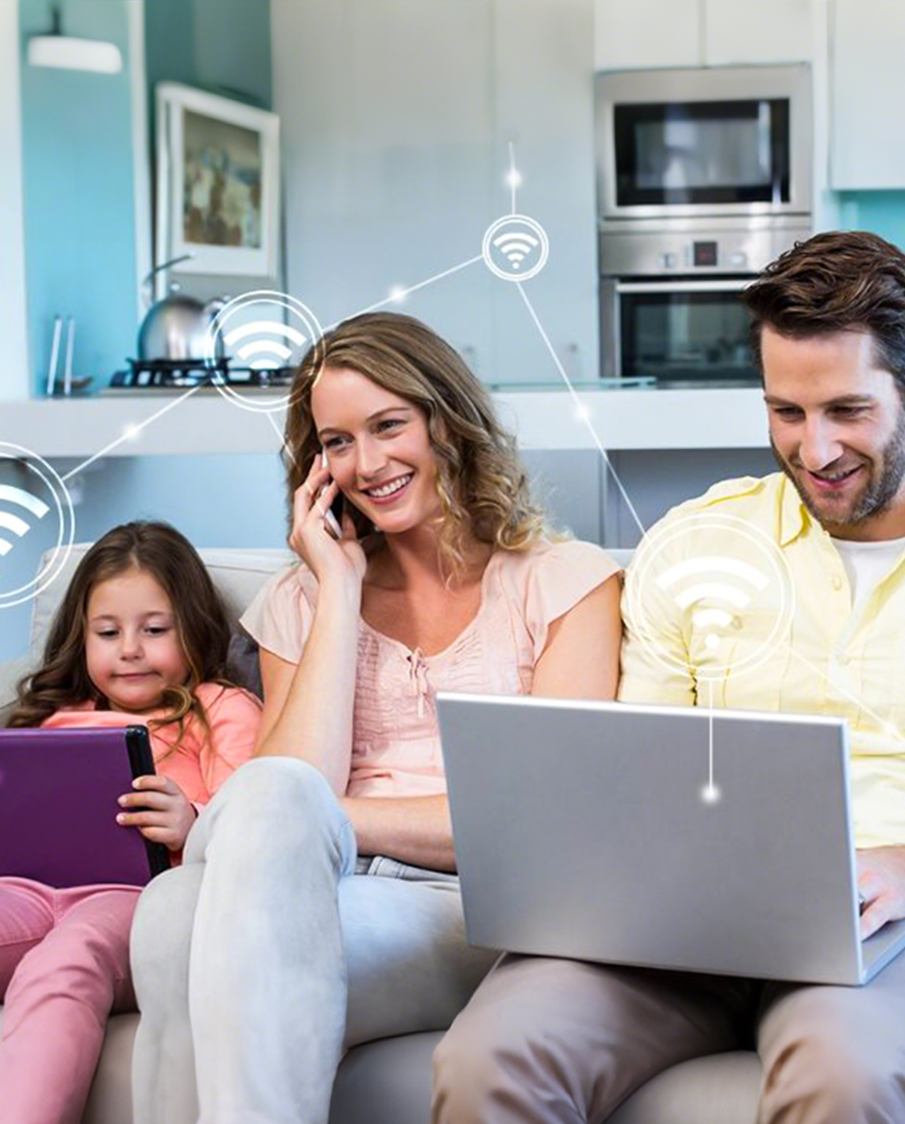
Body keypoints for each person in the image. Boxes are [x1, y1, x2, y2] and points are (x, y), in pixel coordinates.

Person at [431, 231, 905, 1124]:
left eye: (846, 410)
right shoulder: (691, 545)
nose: (814, 449)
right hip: (677, 924)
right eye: (786, 412)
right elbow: (632, 785)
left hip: (897, 928)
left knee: (844, 1076)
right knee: (487, 1060)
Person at [129, 312, 623, 1124]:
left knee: (211, 894)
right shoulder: (302, 598)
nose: (365, 464)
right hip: (312, 886)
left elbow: (534, 823)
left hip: (477, 907)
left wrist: (326, 819)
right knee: (167, 917)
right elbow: (291, 784)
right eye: (337, 442)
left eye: (388, 426)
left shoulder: (565, 582)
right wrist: (338, 588)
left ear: (446, 420)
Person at [0, 521, 261, 1124]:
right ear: (82, 636)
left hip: (136, 901)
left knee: (64, 962)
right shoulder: (53, 717)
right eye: (108, 633)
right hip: (22, 891)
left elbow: (255, 815)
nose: (130, 649)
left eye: (154, 630)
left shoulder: (221, 707)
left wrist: (192, 821)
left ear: (193, 627)